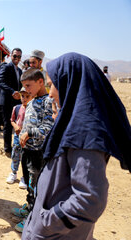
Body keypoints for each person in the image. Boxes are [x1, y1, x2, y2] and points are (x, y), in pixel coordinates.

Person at [22, 52, 131, 239]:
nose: (50, 93)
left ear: (69, 83)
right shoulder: (73, 123)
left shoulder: (84, 133)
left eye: (52, 85)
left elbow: (90, 199)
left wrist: (46, 222)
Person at [12, 68, 54, 233]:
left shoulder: (48, 101)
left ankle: (31, 219)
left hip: (38, 153)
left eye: (28, 86)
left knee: (36, 186)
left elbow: (48, 129)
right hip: (27, 151)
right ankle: (29, 207)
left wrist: (29, 133)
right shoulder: (33, 100)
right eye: (24, 86)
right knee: (30, 183)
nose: (26, 90)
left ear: (40, 82)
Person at [0, 48, 23, 157]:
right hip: (7, 100)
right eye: (15, 56)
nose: (16, 58)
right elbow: (0, 82)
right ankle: (7, 148)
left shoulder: (20, 70)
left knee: (16, 124)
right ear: (11, 56)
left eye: (19, 57)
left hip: (16, 101)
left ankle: (14, 146)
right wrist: (12, 91)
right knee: (8, 125)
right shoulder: (6, 67)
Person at [6, 87, 32, 187]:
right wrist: (15, 126)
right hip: (17, 137)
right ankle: (13, 172)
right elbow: (12, 120)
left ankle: (24, 177)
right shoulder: (16, 108)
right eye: (22, 96)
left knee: (26, 157)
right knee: (15, 154)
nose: (24, 98)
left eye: (27, 96)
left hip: (28, 139)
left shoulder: (33, 109)